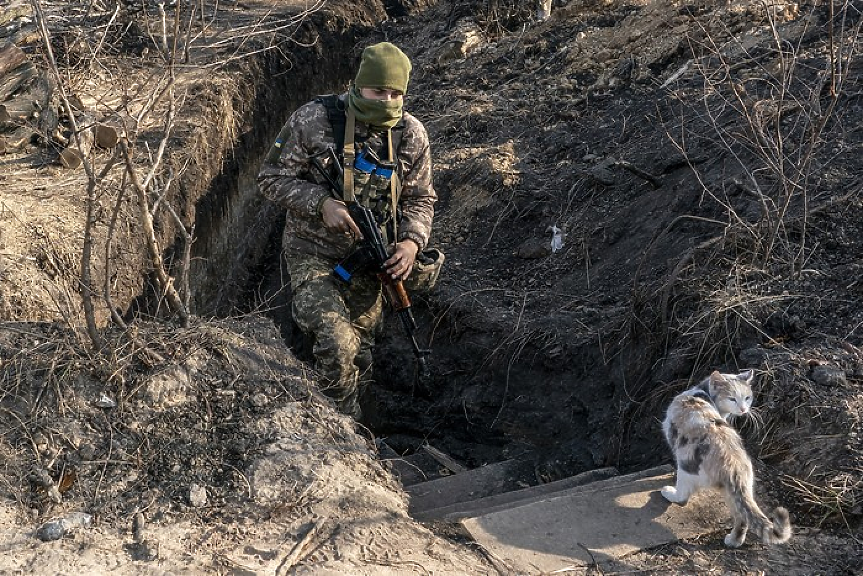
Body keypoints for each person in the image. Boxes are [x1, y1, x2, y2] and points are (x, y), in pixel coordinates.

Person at [257, 42, 436, 419]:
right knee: (337, 344)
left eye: (395, 94)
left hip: (370, 260)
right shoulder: (312, 119)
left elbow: (421, 198)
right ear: (357, 85)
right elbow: (270, 178)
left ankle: (352, 421)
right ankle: (342, 429)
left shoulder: (411, 135)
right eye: (378, 92)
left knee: (361, 353)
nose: (387, 101)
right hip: (311, 252)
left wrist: (410, 243)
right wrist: (321, 203)